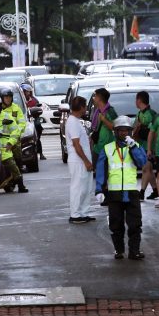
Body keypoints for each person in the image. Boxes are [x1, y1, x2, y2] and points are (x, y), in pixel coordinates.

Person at [95, 116, 148, 259]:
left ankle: (134, 251)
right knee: (116, 224)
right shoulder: (108, 149)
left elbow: (142, 162)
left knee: (135, 224)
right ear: (115, 132)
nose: (124, 134)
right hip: (114, 193)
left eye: (127, 131)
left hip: (131, 192)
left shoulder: (135, 146)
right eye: (121, 131)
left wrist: (133, 147)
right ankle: (119, 250)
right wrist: (99, 189)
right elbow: (101, 170)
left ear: (131, 132)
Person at [64, 96, 96, 224]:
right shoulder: (72, 122)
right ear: (82, 107)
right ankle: (75, 214)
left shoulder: (76, 121)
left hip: (82, 160)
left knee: (86, 187)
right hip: (78, 161)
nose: (85, 110)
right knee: (78, 187)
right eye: (85, 107)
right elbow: (77, 145)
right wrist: (86, 161)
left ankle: (83, 212)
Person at [0, 88, 29, 193]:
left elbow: (22, 123)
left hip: (14, 140)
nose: (8, 99)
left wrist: (16, 132)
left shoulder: (16, 108)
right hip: (1, 141)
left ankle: (21, 185)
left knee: (18, 162)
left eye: (9, 97)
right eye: (5, 97)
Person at [134, 91, 157, 200]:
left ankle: (142, 192)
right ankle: (155, 190)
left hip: (150, 146)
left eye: (136, 99)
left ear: (139, 100)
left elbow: (153, 132)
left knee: (145, 169)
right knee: (149, 169)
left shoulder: (151, 114)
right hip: (141, 145)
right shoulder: (139, 113)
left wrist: (151, 148)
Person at [89, 88, 118, 166]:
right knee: (98, 171)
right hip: (97, 147)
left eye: (95, 96)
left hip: (108, 148)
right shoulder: (97, 111)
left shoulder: (110, 111)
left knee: (105, 172)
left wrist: (104, 120)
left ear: (99, 98)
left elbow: (115, 127)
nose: (93, 98)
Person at [21, 83, 46, 160]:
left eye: (29, 92)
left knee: (37, 129)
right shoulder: (20, 101)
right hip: (24, 121)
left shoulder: (34, 100)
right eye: (26, 92)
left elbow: (38, 109)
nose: (28, 93)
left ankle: (41, 153)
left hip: (33, 120)